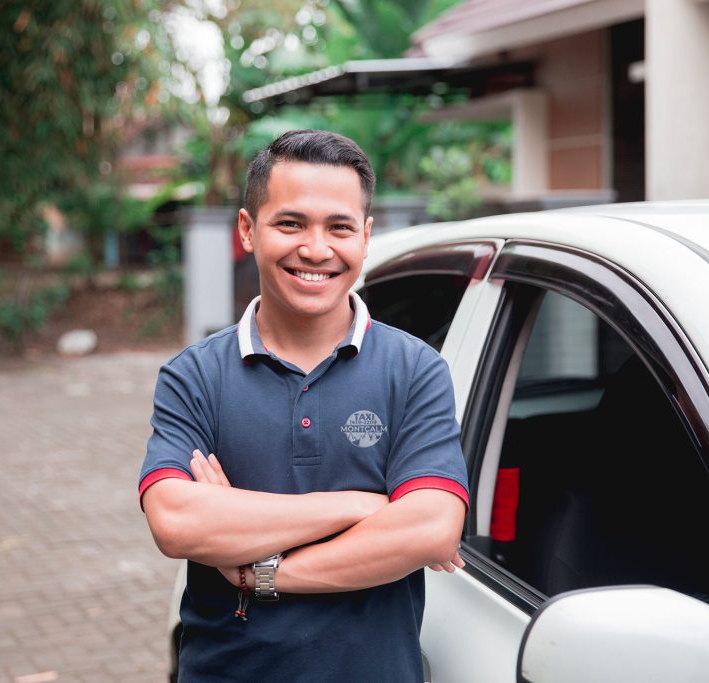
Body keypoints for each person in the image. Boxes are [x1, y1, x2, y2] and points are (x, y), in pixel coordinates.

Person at [139, 129, 469, 682]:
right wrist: (360, 506)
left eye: (339, 227)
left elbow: (431, 529)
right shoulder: (194, 375)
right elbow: (176, 521)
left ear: (365, 237)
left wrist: (257, 573)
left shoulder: (415, 371)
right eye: (290, 224)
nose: (316, 250)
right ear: (248, 230)